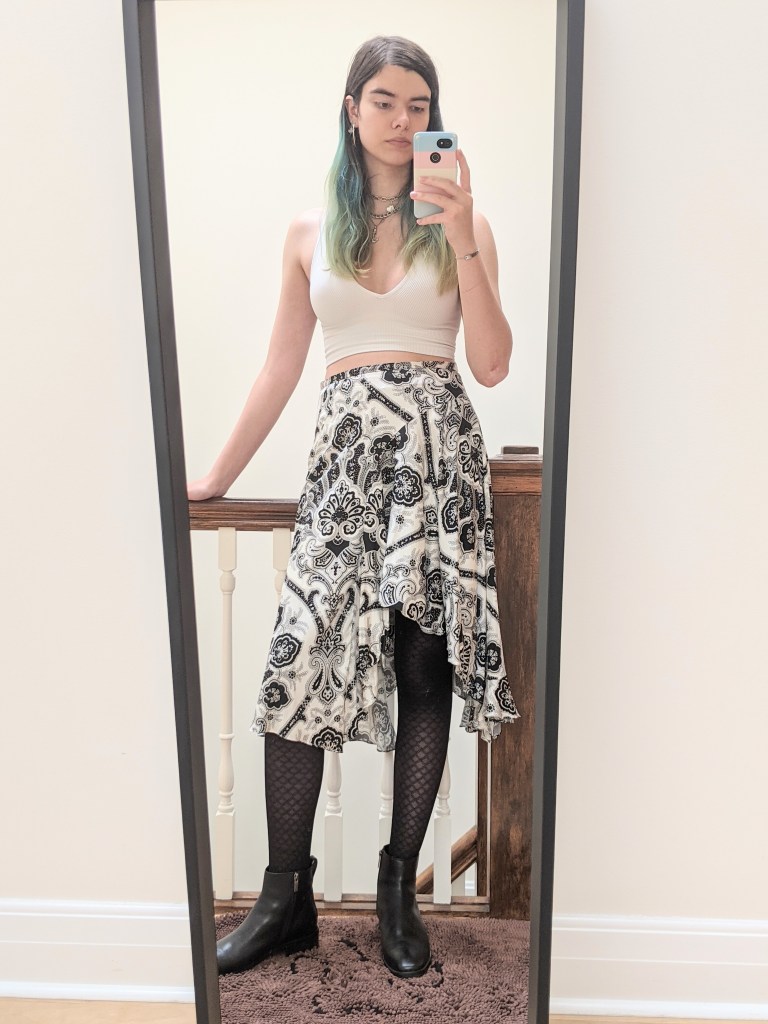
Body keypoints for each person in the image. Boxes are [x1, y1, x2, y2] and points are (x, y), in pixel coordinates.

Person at [188, 35, 520, 980]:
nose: (403, 119)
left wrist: (463, 231)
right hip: (342, 473)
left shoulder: (464, 224)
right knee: (296, 668)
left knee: (424, 671)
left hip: (434, 469)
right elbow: (280, 367)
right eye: (384, 100)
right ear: (351, 108)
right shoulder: (308, 232)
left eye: (419, 104)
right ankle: (283, 900)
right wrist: (213, 478)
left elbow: (492, 363)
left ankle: (395, 895)